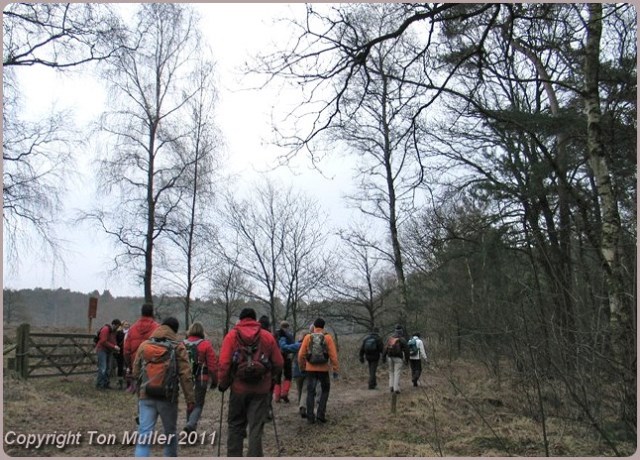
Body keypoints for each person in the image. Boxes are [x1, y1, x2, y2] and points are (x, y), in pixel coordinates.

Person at [217, 308, 284, 457]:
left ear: (241, 319)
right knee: (256, 428)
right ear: (255, 319)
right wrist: (270, 377)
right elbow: (279, 363)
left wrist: (223, 383)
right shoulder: (267, 336)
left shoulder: (231, 336)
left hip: (238, 389)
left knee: (235, 426)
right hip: (261, 390)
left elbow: (224, 364)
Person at [132, 317, 195, 457]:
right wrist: (190, 399)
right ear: (175, 330)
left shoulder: (144, 345)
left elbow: (135, 372)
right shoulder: (178, 347)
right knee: (170, 434)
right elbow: (186, 375)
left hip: (146, 395)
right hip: (167, 397)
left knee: (144, 433)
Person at [297, 317, 339, 424]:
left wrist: (302, 367)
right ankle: (320, 415)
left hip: (310, 369)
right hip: (323, 369)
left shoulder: (308, 337)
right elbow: (333, 355)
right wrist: (335, 369)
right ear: (323, 327)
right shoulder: (328, 337)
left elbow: (301, 355)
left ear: (314, 326)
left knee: (310, 392)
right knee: (325, 391)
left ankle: (310, 417)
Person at [183, 321, 218, 433]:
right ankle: (191, 424)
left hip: (186, 380)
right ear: (202, 332)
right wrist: (215, 381)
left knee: (190, 403)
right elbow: (212, 365)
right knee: (198, 404)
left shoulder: (182, 344)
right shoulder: (205, 344)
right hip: (201, 379)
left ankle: (190, 432)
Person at [124, 303, 160, 392]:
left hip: (135, 361)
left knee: (139, 390)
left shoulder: (132, 328)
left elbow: (126, 350)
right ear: (152, 313)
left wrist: (130, 365)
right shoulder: (158, 328)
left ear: (142, 312)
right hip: (152, 363)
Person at [280, 332, 309, 417]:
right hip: (309, 371)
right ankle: (303, 406)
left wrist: (282, 339)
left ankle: (301, 407)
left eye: (300, 335)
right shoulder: (309, 345)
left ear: (301, 337)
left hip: (298, 371)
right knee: (305, 390)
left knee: (300, 390)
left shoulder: (298, 345)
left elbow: (284, 348)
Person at [382, 324, 410, 394]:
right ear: (401, 332)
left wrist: (383, 357)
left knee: (391, 372)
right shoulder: (402, 339)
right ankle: (396, 388)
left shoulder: (390, 338)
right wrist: (407, 360)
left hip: (390, 357)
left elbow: (385, 348)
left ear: (395, 331)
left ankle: (391, 386)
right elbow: (407, 350)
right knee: (397, 372)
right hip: (398, 358)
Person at [95, 318, 121, 390]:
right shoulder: (106, 329)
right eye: (117, 326)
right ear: (114, 324)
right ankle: (99, 384)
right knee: (103, 368)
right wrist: (114, 346)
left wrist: (115, 347)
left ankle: (105, 383)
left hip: (108, 350)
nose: (117, 328)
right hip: (102, 350)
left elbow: (113, 340)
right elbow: (103, 341)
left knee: (108, 368)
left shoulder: (113, 332)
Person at [274, 320, 294, 403]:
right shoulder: (289, 335)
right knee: (288, 375)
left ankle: (277, 396)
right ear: (287, 327)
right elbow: (292, 347)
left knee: (277, 376)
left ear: (280, 326)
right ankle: (285, 393)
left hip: (277, 357)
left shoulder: (275, 334)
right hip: (287, 357)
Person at [115, 321, 127, 390]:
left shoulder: (129, 333)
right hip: (120, 351)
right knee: (120, 366)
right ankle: (120, 382)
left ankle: (124, 381)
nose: (127, 325)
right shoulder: (119, 333)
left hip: (125, 351)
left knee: (123, 367)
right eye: (125, 324)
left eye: (128, 324)